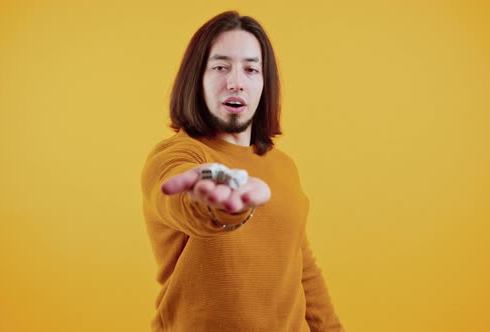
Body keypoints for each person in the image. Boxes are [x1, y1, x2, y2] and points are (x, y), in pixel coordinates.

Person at [141, 11, 344, 331]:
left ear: (265, 83)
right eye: (220, 67)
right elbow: (181, 201)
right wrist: (216, 203)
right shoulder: (178, 155)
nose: (235, 82)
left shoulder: (283, 166)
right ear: (197, 79)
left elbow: (301, 268)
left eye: (251, 69)